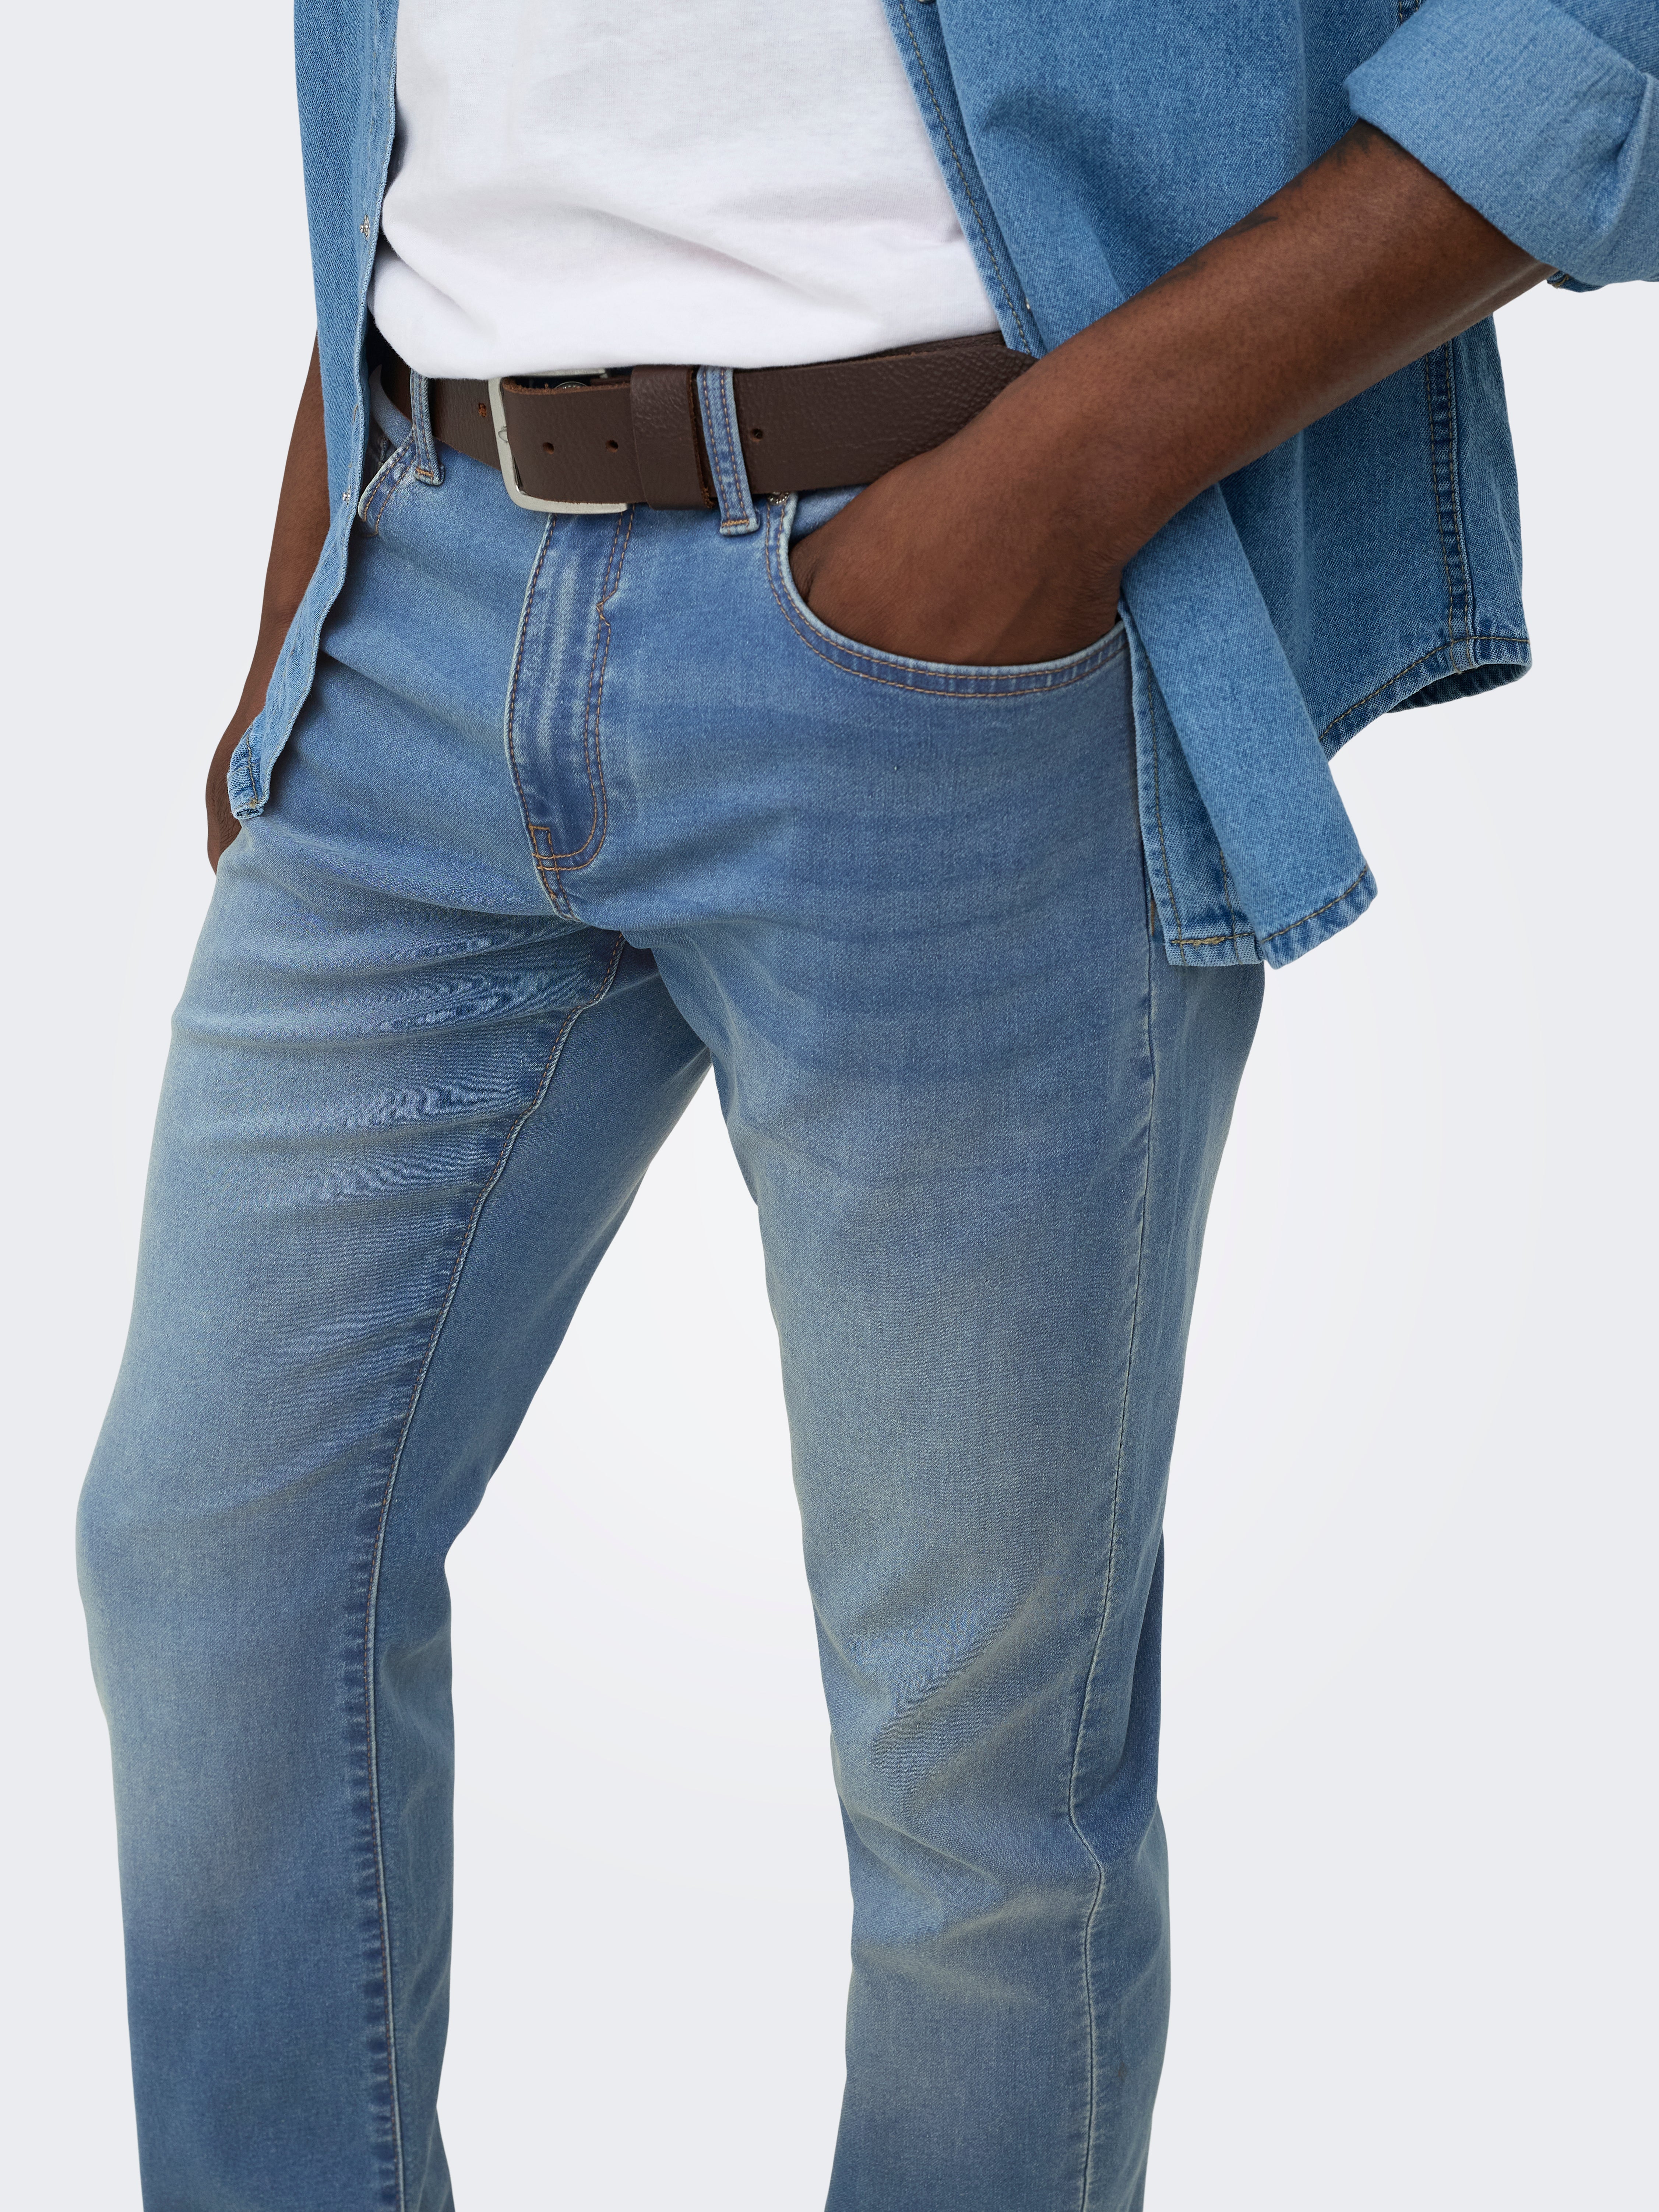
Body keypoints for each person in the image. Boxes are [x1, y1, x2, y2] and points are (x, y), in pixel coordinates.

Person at [77, 1, 1655, 2205]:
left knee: (974, 1787)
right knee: (208, 1564)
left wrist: (1055, 488)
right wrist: (316, 525)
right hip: (417, 578)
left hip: (951, 611)